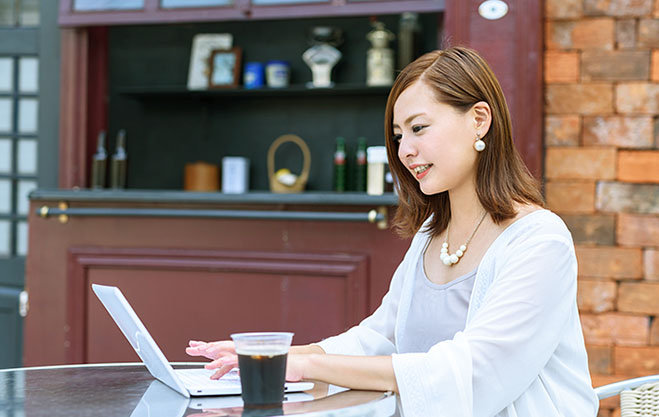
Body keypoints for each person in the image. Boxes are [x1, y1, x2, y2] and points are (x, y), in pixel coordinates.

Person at [186, 46, 599, 417]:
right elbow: (378, 339)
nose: (404, 151)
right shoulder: (432, 235)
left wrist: (308, 365)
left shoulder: (539, 240)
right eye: (399, 136)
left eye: (419, 129)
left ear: (479, 120)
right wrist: (275, 358)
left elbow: (477, 371)